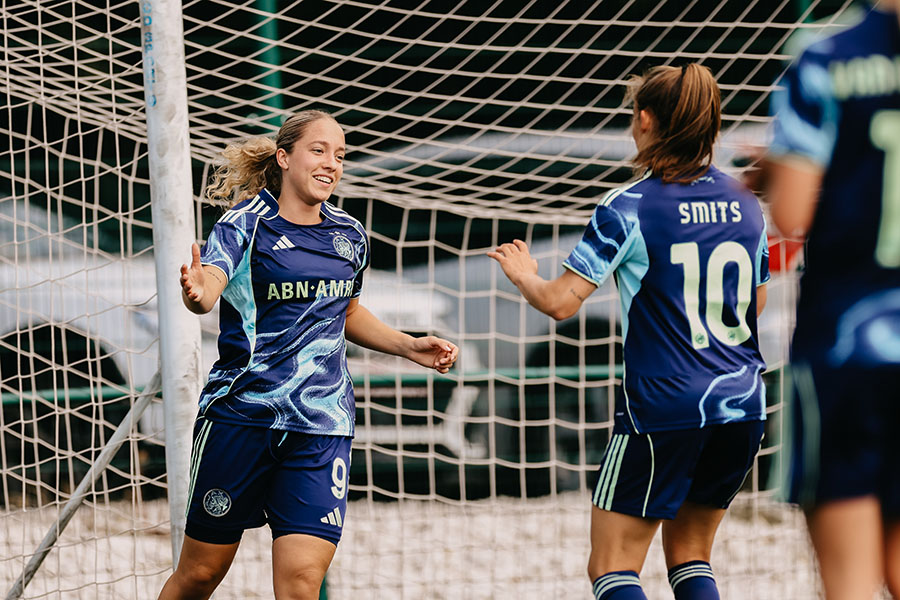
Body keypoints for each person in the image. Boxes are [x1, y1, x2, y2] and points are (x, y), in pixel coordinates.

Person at [489, 64, 769, 600]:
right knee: (691, 557)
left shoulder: (628, 206)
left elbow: (560, 304)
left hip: (661, 411)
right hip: (741, 404)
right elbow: (755, 302)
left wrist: (525, 274)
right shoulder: (746, 204)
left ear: (644, 120)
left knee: (613, 566)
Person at [158, 109, 459, 600]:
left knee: (301, 582)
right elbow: (209, 287)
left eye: (339, 155)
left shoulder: (349, 235)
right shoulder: (244, 225)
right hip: (242, 418)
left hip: (321, 423)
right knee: (200, 575)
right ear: (284, 158)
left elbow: (345, 310)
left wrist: (409, 345)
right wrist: (197, 292)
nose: (331, 163)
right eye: (318, 150)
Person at [758, 1, 900, 597]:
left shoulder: (827, 58)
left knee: (851, 585)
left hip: (849, 342)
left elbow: (792, 215)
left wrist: (774, 172)